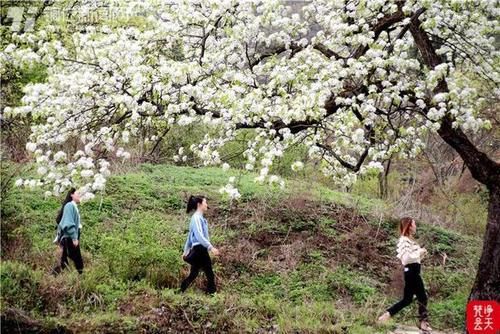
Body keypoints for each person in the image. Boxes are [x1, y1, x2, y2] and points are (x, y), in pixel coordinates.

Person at [378, 217, 431, 332]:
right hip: (411, 272)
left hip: (413, 271)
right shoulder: (404, 240)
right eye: (414, 224)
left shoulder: (409, 240)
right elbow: (406, 259)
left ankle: (386, 316)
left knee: (407, 299)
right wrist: (420, 252)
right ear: (409, 226)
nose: (416, 226)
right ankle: (423, 322)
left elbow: (414, 258)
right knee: (422, 297)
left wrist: (421, 253)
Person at [180, 195, 220, 294]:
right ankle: (212, 293)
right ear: (199, 204)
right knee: (209, 272)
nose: (207, 205)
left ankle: (180, 291)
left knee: (194, 273)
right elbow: (198, 236)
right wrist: (211, 247)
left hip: (199, 248)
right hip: (200, 249)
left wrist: (186, 251)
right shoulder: (196, 218)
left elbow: (190, 236)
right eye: (205, 202)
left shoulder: (199, 218)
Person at [53, 188, 83, 274]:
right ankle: (81, 277)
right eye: (78, 193)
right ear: (72, 195)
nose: (79, 195)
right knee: (78, 260)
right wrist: (74, 238)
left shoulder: (73, 206)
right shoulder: (69, 206)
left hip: (68, 238)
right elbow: (69, 223)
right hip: (69, 237)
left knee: (64, 260)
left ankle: (54, 276)